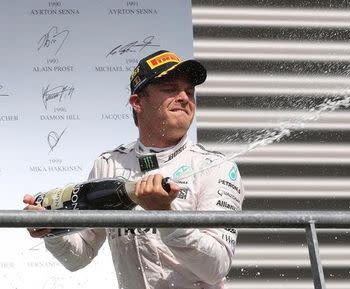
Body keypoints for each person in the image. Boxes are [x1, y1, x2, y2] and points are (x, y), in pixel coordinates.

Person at [22, 50, 245, 289]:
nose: (184, 97)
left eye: (189, 91)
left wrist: (166, 218)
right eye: (170, 89)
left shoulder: (215, 167)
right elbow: (79, 256)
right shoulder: (108, 166)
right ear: (137, 102)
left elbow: (216, 268)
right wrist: (51, 230)